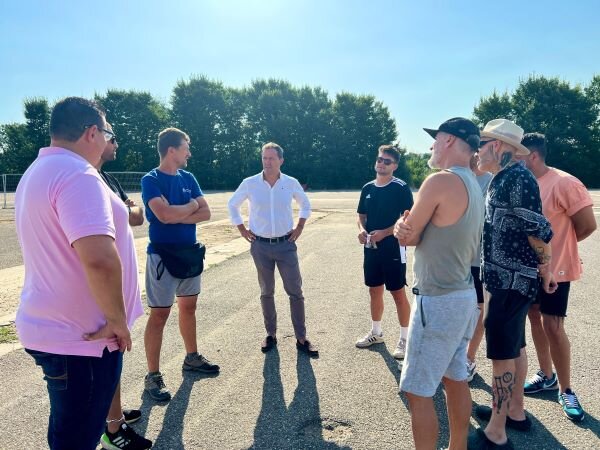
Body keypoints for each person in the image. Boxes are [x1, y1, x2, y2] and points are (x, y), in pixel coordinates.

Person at [15, 97, 143, 450]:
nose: (108, 140)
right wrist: (117, 320)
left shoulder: (38, 171)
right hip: (83, 339)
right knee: (76, 439)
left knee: (70, 430)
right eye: (107, 133)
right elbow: (100, 259)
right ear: (91, 133)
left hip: (58, 329)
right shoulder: (79, 175)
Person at [394, 117, 483, 450]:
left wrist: (404, 226)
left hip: (437, 299)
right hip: (463, 295)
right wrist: (410, 228)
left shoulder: (439, 181)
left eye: (435, 140)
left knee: (417, 391)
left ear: (448, 141)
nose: (431, 146)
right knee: (455, 376)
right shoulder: (472, 182)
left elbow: (410, 234)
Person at [469, 119, 556, 449]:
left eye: (481, 143)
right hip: (505, 281)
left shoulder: (516, 179)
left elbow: (538, 230)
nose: (476, 150)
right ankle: (514, 412)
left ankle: (496, 430)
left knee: (503, 354)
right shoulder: (501, 178)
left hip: (510, 283)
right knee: (515, 346)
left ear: (497, 146)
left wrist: (546, 269)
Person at [519, 132, 596, 422]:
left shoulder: (564, 182)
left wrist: (563, 252)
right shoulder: (525, 183)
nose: (515, 161)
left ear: (533, 156)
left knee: (553, 325)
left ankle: (566, 389)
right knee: (533, 316)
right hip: (530, 267)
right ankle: (546, 375)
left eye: (519, 156)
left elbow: (587, 225)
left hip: (557, 269)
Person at [141, 127, 218, 402]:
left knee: (189, 307)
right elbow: (162, 216)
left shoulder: (189, 177)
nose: (189, 152)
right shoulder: (151, 180)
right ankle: (152, 376)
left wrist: (176, 213)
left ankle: (192, 358)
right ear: (172, 150)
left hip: (189, 254)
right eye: (186, 147)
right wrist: (189, 207)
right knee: (159, 314)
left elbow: (206, 212)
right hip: (161, 256)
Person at [227, 142, 318, 356]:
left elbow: (306, 205)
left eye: (271, 158)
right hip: (260, 246)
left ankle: (301, 338)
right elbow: (233, 204)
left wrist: (300, 226)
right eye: (264, 158)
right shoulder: (250, 183)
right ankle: (271, 334)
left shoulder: (290, 183)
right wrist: (241, 228)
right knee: (266, 291)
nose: (267, 162)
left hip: (285, 245)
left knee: (295, 292)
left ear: (281, 161)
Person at [95, 124, 151, 450]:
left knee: (114, 358)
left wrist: (129, 209)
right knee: (110, 353)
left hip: (119, 286)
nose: (117, 144)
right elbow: (131, 212)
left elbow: (137, 216)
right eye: (113, 138)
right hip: (106, 290)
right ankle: (113, 429)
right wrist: (129, 209)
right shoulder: (88, 180)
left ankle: (111, 412)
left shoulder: (109, 179)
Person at [355, 145, 413, 359]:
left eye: (387, 161)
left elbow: (408, 218)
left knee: (397, 292)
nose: (381, 163)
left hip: (393, 248)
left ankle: (405, 339)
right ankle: (376, 332)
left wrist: (387, 232)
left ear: (395, 166)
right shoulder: (367, 188)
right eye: (379, 160)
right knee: (374, 290)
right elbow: (360, 215)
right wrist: (361, 231)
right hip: (371, 248)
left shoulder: (400, 187)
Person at [466, 153, 493, 382]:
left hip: (479, 259)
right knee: (456, 308)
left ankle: (468, 358)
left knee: (479, 310)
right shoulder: (456, 178)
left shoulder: (493, 181)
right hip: (456, 258)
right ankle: (452, 356)